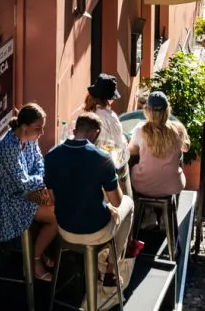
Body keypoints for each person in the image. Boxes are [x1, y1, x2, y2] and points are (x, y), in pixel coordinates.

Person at [44, 112, 134, 285]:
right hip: (95, 231)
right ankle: (111, 268)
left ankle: (100, 263)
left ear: (75, 130)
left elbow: (53, 198)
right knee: (128, 204)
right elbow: (117, 201)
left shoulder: (51, 156)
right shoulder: (102, 158)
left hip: (65, 229)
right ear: (96, 133)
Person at [0, 102, 58, 281]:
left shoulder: (30, 140)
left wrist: (40, 184)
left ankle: (38, 249)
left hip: (24, 194)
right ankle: (34, 261)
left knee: (57, 202)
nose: (41, 133)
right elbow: (22, 182)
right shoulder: (8, 147)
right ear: (24, 127)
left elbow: (40, 163)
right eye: (38, 128)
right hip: (6, 201)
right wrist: (41, 184)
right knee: (56, 216)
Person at [69, 74, 131, 196]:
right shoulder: (110, 117)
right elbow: (120, 147)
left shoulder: (80, 112)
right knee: (124, 165)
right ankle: (126, 204)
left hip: (80, 165)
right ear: (109, 99)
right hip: (103, 167)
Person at [128, 91, 189, 197]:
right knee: (180, 158)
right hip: (173, 186)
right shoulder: (178, 129)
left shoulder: (140, 129)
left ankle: (136, 206)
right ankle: (174, 208)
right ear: (167, 110)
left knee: (133, 166)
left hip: (143, 185)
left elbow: (130, 151)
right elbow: (186, 148)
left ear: (147, 110)